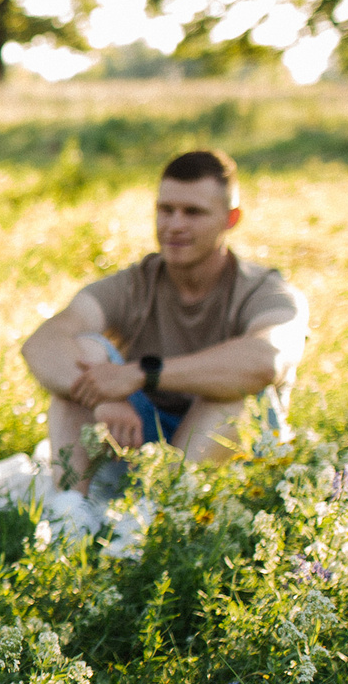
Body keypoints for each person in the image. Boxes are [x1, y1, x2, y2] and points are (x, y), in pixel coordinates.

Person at [21, 149, 309, 489]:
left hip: (233, 456)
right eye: (165, 210)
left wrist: (143, 374)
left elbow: (267, 361)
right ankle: (70, 515)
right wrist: (103, 396)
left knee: (232, 393)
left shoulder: (266, 292)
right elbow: (42, 343)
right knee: (85, 351)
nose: (175, 225)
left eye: (193, 212)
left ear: (231, 219)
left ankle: (161, 515)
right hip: (140, 437)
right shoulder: (135, 283)